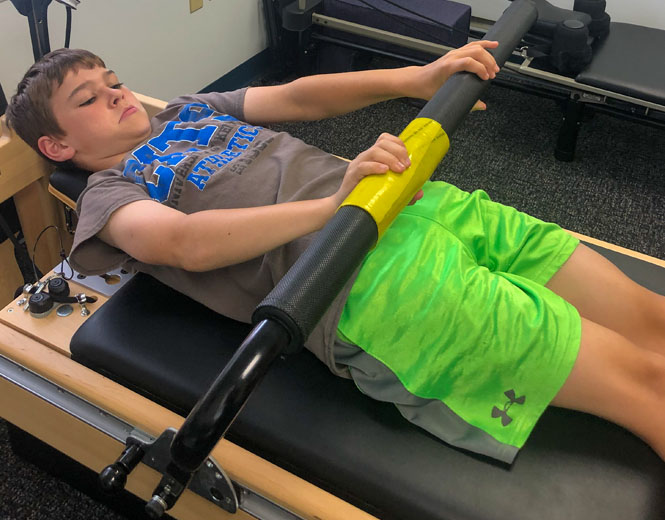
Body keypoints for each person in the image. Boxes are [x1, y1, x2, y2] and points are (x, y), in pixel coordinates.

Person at [6, 44, 665, 464]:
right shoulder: (110, 191)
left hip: (418, 201)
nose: (117, 93)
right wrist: (335, 209)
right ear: (58, 148)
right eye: (87, 99)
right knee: (645, 384)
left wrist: (418, 77)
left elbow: (296, 96)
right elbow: (181, 244)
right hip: (366, 283)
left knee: (652, 323)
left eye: (113, 80)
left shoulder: (187, 111)